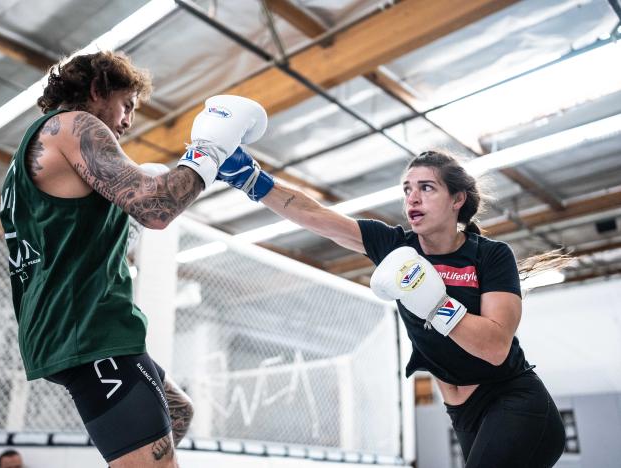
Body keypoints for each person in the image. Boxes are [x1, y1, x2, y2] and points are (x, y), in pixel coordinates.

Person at [0, 51, 267, 467]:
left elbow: (64, 242)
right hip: (88, 333)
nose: (127, 121)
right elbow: (157, 207)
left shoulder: (28, 158)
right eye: (126, 105)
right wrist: (208, 152)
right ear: (96, 90)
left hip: (71, 328)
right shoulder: (73, 126)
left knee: (179, 411)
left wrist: (121, 228)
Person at [218, 148, 566, 467]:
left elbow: (494, 347)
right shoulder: (396, 246)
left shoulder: (490, 255)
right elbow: (315, 216)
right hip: (463, 415)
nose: (412, 198)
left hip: (514, 401)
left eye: (427, 188)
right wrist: (253, 179)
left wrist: (434, 302)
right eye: (407, 189)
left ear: (457, 198)